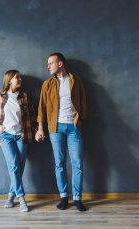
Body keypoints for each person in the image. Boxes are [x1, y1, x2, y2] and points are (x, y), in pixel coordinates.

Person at [35, 52, 88, 212]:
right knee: (59, 163)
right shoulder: (47, 84)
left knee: (77, 163)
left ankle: (78, 199)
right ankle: (64, 197)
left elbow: (84, 101)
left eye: (51, 62)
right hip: (55, 128)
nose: (48, 66)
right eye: (48, 63)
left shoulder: (76, 81)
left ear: (60, 64)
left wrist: (80, 119)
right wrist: (40, 128)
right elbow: (41, 108)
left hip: (73, 127)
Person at [0, 70, 37, 212]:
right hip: (6, 136)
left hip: (22, 135)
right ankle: (21, 198)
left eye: (20, 77)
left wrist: (38, 130)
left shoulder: (25, 97)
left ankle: (10, 196)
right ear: (9, 80)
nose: (20, 79)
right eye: (17, 78)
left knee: (19, 167)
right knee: (13, 164)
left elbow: (33, 118)